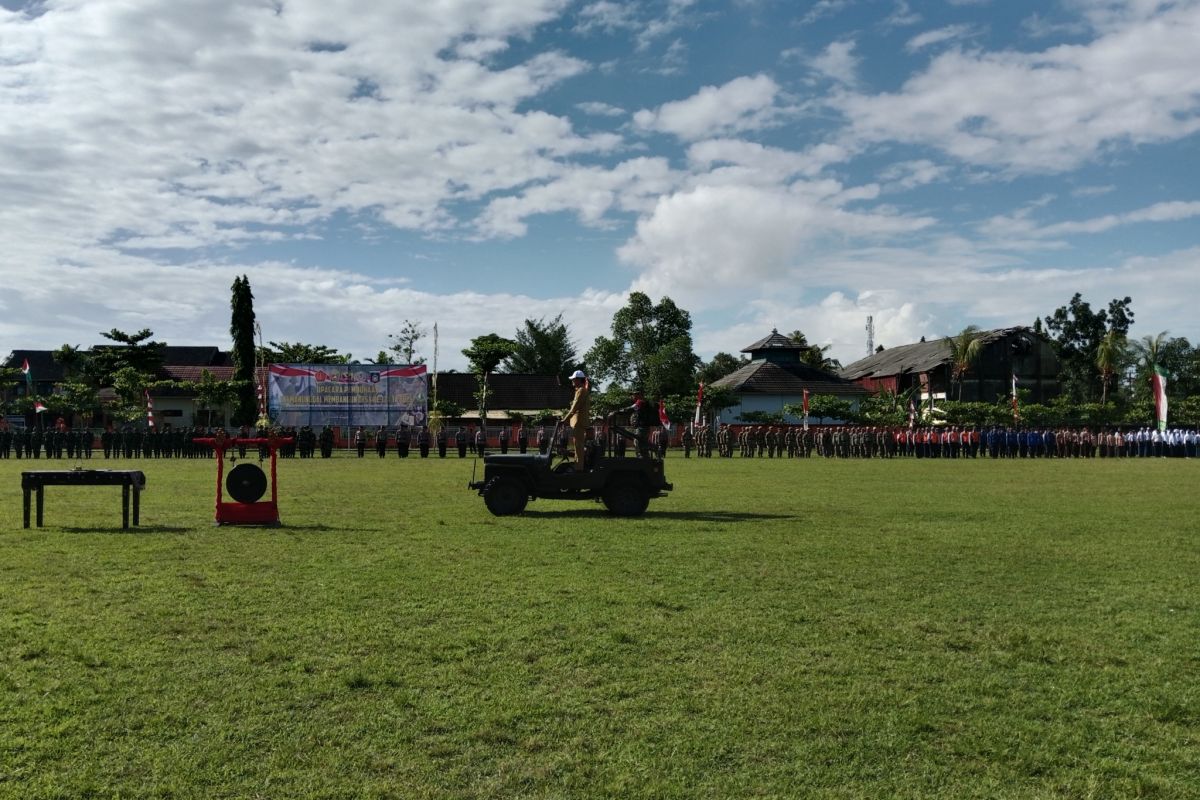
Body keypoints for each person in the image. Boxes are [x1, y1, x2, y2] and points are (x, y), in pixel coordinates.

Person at [560, 370, 591, 471]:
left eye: (574, 379)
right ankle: (578, 466)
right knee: (577, 446)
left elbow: (574, 408)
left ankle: (578, 468)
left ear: (578, 380)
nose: (572, 381)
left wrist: (564, 419)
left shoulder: (581, 391)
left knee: (578, 446)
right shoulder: (581, 390)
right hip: (578, 423)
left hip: (579, 422)